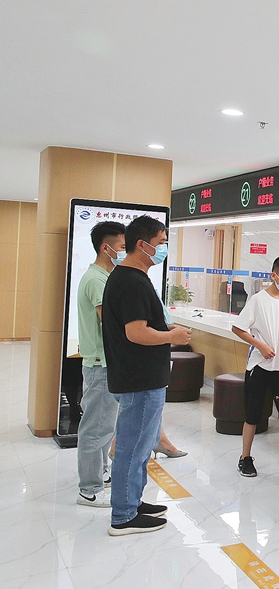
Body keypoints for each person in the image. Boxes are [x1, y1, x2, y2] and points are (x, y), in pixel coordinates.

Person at [103, 215, 191, 536]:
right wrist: (172, 336)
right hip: (139, 380)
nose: (164, 248)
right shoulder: (131, 281)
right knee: (132, 448)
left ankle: (133, 502)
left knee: (141, 447)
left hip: (142, 377)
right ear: (142, 245)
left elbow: (142, 324)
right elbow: (136, 332)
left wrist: (165, 328)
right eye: (162, 243)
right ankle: (124, 516)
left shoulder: (131, 277)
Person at [231, 256, 279, 478]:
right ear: (274, 276)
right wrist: (260, 345)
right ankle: (245, 458)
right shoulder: (258, 300)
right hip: (260, 366)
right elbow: (238, 328)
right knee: (252, 415)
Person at [76, 221, 126, 509]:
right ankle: (89, 489)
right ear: (106, 248)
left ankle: (100, 474)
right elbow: (110, 322)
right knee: (95, 428)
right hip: (100, 365)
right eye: (122, 247)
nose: (125, 252)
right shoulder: (97, 280)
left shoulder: (105, 277)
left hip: (106, 364)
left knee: (106, 426)